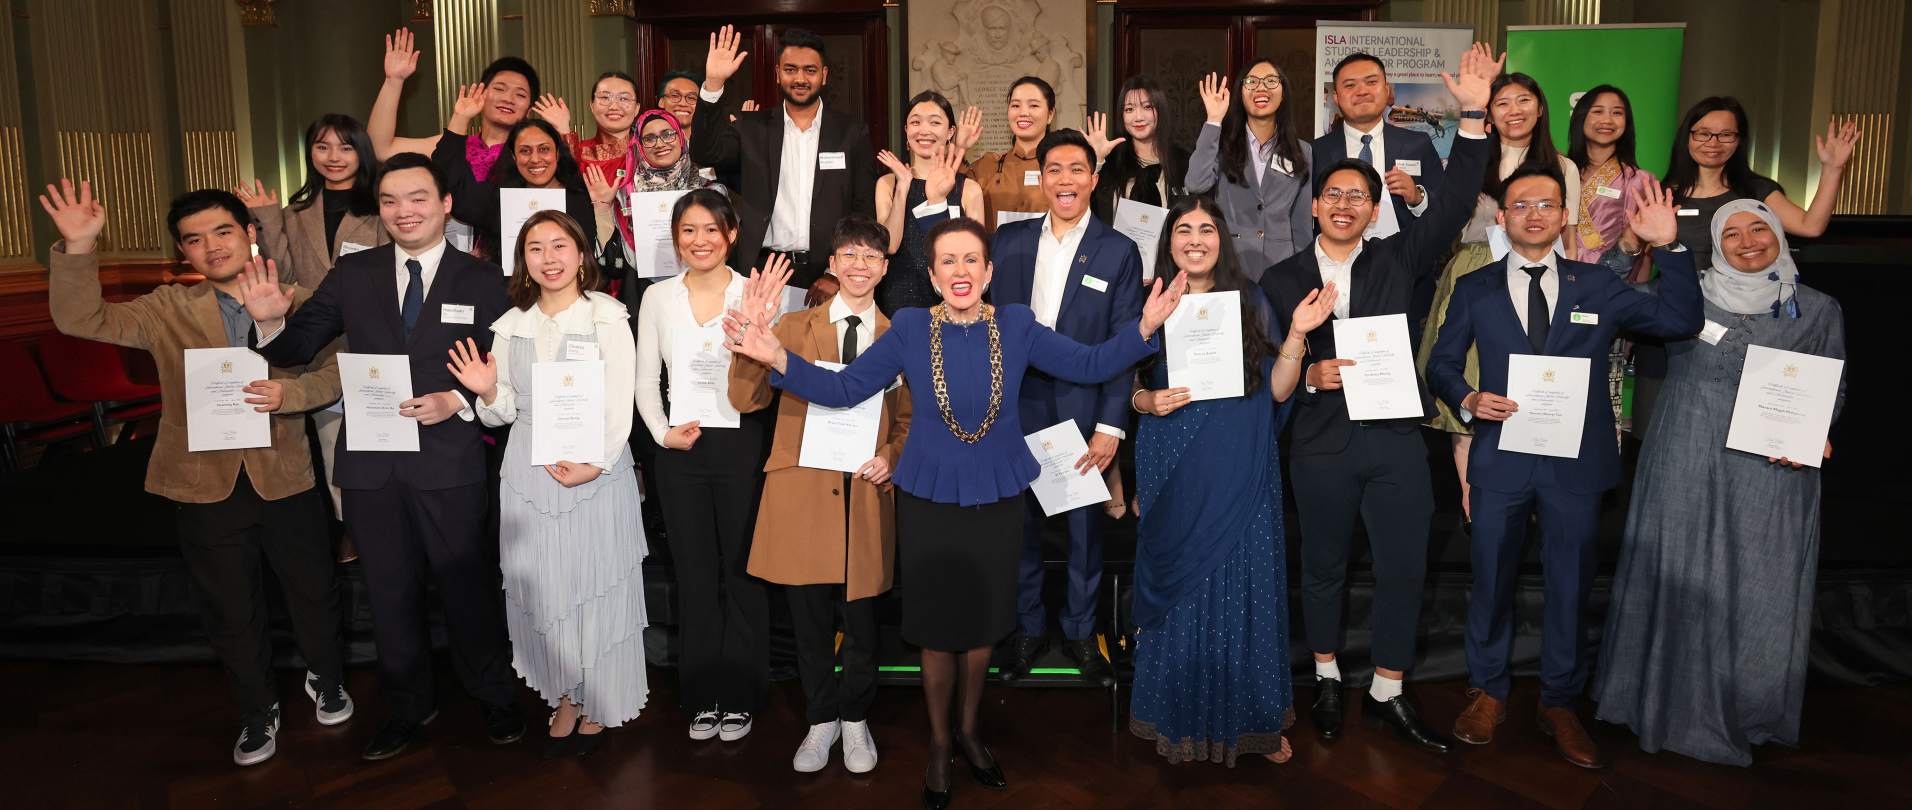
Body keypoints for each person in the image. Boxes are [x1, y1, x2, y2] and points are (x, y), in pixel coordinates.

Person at [723, 215, 1186, 810]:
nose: (961, 271)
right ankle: (941, 746)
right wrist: (777, 357)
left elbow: (1092, 365)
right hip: (928, 498)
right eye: (948, 261)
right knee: (939, 631)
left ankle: (970, 731)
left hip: (996, 496)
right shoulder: (911, 328)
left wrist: (1145, 325)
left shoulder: (1017, 325)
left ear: (990, 272)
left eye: (972, 260)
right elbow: (845, 391)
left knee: (982, 630)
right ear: (933, 274)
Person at [44, 182, 354, 767]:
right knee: (229, 604)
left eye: (223, 231)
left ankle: (327, 677)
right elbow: (81, 318)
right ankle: (257, 709)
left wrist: (289, 394)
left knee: (313, 590)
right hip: (201, 482)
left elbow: (337, 372)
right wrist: (79, 246)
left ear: (250, 233)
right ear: (183, 254)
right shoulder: (166, 309)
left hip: (284, 475)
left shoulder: (301, 298)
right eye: (194, 240)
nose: (211, 246)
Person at [237, 152, 524, 761]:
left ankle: (494, 694)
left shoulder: (485, 280)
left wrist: (458, 402)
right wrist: (267, 325)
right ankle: (408, 705)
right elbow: (299, 343)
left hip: (450, 460)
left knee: (467, 587)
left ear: (446, 204)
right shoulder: (353, 274)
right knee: (389, 592)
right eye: (390, 201)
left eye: (418, 198)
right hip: (372, 464)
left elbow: (510, 372)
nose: (404, 211)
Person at [1258, 44, 1496, 755]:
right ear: (1315, 205)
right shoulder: (1280, 278)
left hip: (1395, 440)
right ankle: (1328, 677)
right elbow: (1260, 373)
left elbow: (1454, 199)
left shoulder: (1402, 258)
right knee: (1324, 565)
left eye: (1357, 196)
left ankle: (1389, 688)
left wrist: (1477, 116)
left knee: (1404, 566)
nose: (1343, 204)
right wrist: (1309, 376)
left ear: (1372, 208)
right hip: (1321, 441)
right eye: (1332, 194)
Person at [1428, 172, 1700, 770]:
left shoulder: (1598, 283)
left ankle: (1558, 703)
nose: (1533, 213)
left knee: (1570, 587)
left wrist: (1671, 247)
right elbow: (1442, 364)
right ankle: (1489, 691)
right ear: (1501, 219)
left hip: (1576, 463)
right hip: (1501, 456)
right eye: (1519, 205)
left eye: (1546, 204)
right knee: (1492, 580)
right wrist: (1469, 398)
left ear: (1563, 215)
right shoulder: (1474, 288)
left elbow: (1680, 321)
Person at [1593, 200, 1843, 767]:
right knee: (1678, 576)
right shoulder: (1684, 293)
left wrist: (1819, 431)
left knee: (1758, 587)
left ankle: (1746, 709)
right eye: (1731, 233)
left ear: (1780, 234)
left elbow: (1835, 387)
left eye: (1760, 228)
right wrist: (1633, 246)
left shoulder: (1819, 309)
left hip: (1771, 472)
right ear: (1714, 242)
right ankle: (1657, 704)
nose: (1748, 240)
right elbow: (1601, 295)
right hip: (1685, 455)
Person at [446, 210, 648, 758]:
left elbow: (619, 403)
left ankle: (599, 694)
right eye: (536, 248)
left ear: (582, 255)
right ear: (524, 262)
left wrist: (599, 463)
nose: (550, 257)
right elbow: (502, 414)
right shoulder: (511, 325)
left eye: (561, 246)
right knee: (547, 587)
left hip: (595, 469)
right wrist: (487, 392)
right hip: (529, 471)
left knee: (594, 580)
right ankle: (565, 693)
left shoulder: (607, 316)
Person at [1126, 196, 1313, 767]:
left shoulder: (1250, 299)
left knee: (1246, 585)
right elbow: (1121, 384)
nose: (1196, 238)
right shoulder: (1149, 301)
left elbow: (1280, 390)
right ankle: (1173, 716)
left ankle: (1253, 717)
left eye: (1207, 228)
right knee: (1181, 591)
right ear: (1170, 241)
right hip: (1172, 462)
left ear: (1221, 240)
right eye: (1184, 229)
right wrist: (1145, 398)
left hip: (1240, 461)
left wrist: (1299, 333)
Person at [728, 215, 911, 775]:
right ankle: (819, 718)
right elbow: (744, 400)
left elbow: (907, 422)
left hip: (865, 490)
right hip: (803, 489)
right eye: (848, 255)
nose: (859, 265)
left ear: (885, 268)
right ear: (831, 263)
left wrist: (891, 457)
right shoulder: (789, 327)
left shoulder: (899, 336)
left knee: (861, 622)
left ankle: (854, 717)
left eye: (871, 257)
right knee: (807, 621)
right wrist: (750, 339)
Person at [987, 128, 1147, 687]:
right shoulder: (1007, 243)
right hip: (1016, 405)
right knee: (1021, 526)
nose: (1065, 180)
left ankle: (1082, 633)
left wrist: (1111, 426)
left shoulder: (1119, 250)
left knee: (1084, 530)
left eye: (1077, 170)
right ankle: (1026, 628)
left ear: (1093, 178)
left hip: (1084, 407)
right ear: (1041, 177)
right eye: (1054, 169)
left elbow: (1125, 342)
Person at [1629, 98, 1859, 437]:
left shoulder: (1755, 191)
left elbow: (1811, 226)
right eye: (1703, 133)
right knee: (1658, 433)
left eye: (1726, 135)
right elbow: (1645, 258)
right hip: (1671, 323)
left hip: (1738, 329)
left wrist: (1833, 169)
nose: (1713, 143)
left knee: (1732, 432)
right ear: (1687, 137)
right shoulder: (1665, 194)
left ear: (1739, 141)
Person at [634, 188, 772, 742]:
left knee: (742, 572)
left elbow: (772, 376)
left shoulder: (756, 291)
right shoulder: (657, 298)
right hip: (680, 448)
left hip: (743, 444)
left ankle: (741, 694)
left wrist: (761, 323)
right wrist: (662, 432)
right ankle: (701, 693)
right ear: (675, 239)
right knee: (693, 573)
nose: (700, 241)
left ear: (731, 234)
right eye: (688, 231)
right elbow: (645, 380)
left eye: (711, 230)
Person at [1416, 66, 1580, 520]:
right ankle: (1473, 496)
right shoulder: (1473, 155)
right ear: (1488, 109)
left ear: (1540, 107)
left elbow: (1569, 237)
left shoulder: (1562, 166)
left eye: (1523, 101)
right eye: (1502, 102)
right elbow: (1446, 219)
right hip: (1476, 270)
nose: (1513, 111)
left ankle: (1526, 486)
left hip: (1537, 275)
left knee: (1527, 379)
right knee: (1466, 380)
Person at [235, 113, 389, 557]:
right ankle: (350, 524)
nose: (333, 157)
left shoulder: (382, 208)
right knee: (331, 441)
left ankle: (384, 520)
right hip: (316, 342)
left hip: (369, 339)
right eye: (322, 147)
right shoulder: (293, 213)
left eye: (344, 147)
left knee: (381, 435)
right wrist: (266, 220)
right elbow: (278, 275)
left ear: (361, 151)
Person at [690, 25, 879, 297]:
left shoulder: (851, 133)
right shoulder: (751, 127)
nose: (800, 78)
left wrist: (838, 272)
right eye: (790, 69)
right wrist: (713, 84)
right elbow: (705, 154)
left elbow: (863, 210)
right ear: (777, 74)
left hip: (828, 275)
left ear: (824, 76)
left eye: (810, 70)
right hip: (760, 272)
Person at [1311, 52, 1449, 321]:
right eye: (1350, 85)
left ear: (1387, 90)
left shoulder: (1417, 145)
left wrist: (1417, 197)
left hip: (1406, 280)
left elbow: (1445, 213)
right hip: (1333, 284)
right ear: (1336, 98)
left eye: (1371, 82)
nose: (1361, 91)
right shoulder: (1315, 152)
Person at [1564, 85, 1660, 446]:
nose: (1607, 120)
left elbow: (1646, 252)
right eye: (1597, 111)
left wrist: (1630, 306)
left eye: (1617, 112)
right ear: (1580, 118)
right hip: (1557, 289)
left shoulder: (1640, 180)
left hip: (1608, 292)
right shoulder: (1559, 169)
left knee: (1604, 389)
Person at [1185, 61, 1312, 282]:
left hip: (1282, 268)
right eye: (1251, 82)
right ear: (1240, 95)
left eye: (1271, 81)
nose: (1261, 88)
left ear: (1283, 94)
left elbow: (1301, 223)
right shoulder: (1222, 144)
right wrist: (1214, 121)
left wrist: (1303, 273)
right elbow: (1196, 183)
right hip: (1232, 264)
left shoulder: (1302, 151)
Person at [875, 90, 985, 316]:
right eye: (915, 122)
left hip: (953, 302)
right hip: (898, 300)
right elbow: (889, 245)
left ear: (950, 131)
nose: (924, 130)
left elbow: (976, 256)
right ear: (906, 130)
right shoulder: (888, 183)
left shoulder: (968, 188)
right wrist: (903, 187)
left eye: (935, 122)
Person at [439, 117, 599, 265]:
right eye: (525, 150)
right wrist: (461, 117)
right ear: (513, 157)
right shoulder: (498, 198)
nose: (535, 159)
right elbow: (455, 188)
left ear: (558, 153)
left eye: (544, 149)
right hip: (510, 293)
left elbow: (590, 257)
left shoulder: (581, 199)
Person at [1086, 76, 1192, 226]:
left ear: (1160, 110)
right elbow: (1083, 205)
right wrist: (1096, 161)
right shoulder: (1110, 163)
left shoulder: (1183, 163)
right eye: (1129, 109)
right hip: (1117, 249)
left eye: (1147, 107)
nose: (1138, 117)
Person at [962, 77, 1056, 232]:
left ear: (1050, 114)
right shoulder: (988, 166)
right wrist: (960, 148)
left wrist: (1097, 160)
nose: (1023, 113)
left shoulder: (1061, 167)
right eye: (1016, 105)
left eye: (1033, 105)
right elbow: (948, 190)